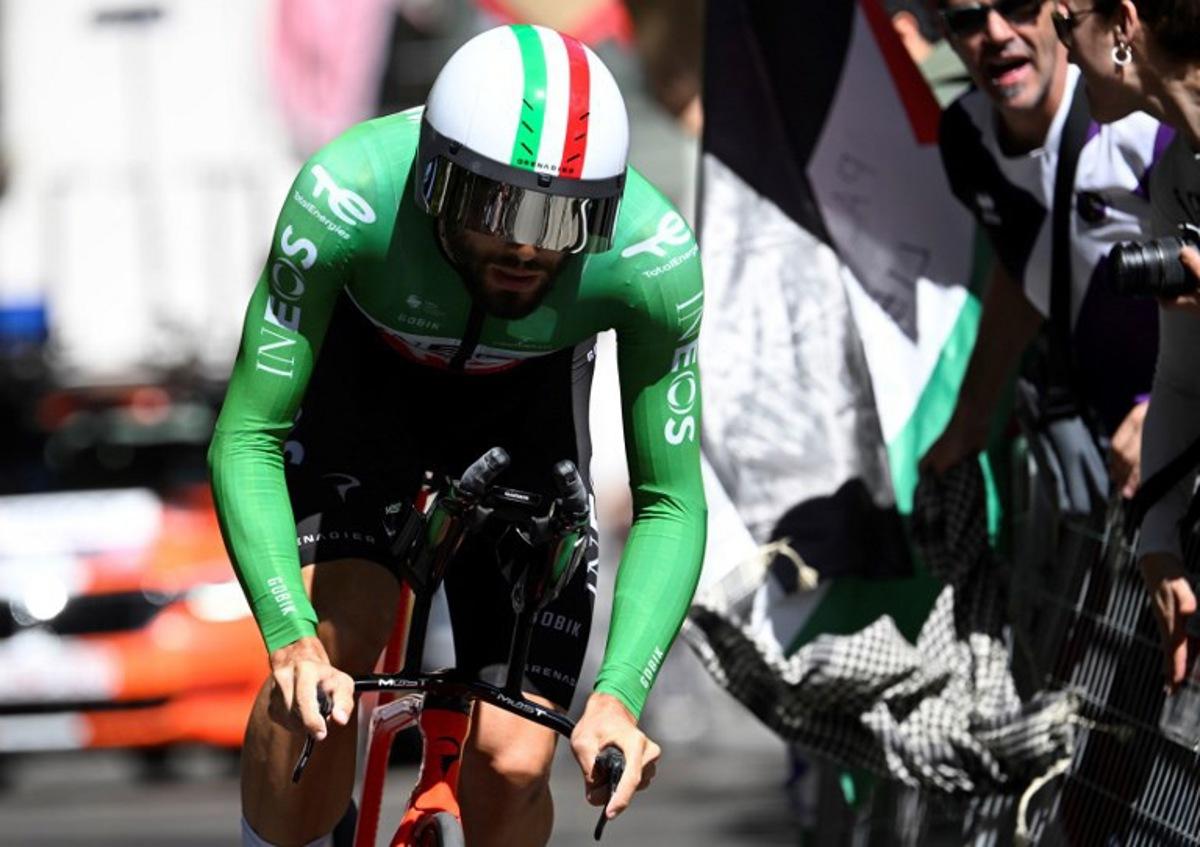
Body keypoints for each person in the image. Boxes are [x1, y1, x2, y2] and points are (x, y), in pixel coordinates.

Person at [208, 24, 707, 847]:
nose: (524, 243)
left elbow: (669, 499)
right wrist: (289, 639)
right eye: (495, 206)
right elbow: (247, 434)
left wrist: (618, 694)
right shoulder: (345, 193)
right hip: (365, 404)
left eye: (561, 220)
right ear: (434, 178)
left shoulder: (654, 259)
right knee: (338, 651)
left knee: (515, 763)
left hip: (525, 425)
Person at [920, 0, 1163, 505]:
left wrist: (1171, 403)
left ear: (1060, 9)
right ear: (944, 32)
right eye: (967, 19)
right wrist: (972, 417)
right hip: (1117, 457)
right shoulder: (965, 139)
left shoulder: (1138, 107)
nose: (996, 31)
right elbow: (1026, 269)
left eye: (1018, 5)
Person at [1053, 0, 1200, 689]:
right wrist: (1159, 539)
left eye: (1063, 23)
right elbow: (1181, 379)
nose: (1058, 46)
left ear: (1123, 26)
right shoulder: (1177, 170)